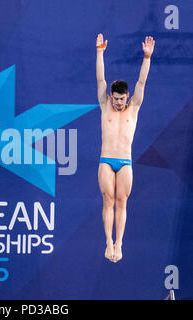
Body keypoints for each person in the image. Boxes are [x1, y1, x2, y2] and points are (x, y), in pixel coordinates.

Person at [96, 33, 155, 262]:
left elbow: (141, 82)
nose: (118, 103)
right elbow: (101, 80)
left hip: (125, 161)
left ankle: (119, 244)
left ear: (127, 96)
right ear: (110, 97)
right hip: (106, 160)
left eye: (122, 99)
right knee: (108, 200)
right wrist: (100, 52)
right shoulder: (105, 106)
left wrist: (147, 57)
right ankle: (108, 243)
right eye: (115, 99)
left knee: (122, 201)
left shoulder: (134, 107)